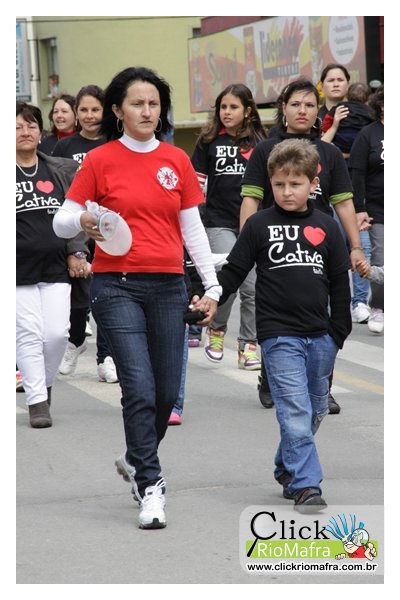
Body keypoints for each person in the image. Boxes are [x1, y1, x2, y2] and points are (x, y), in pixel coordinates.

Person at [53, 66, 221, 529]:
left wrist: (211, 286)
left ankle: (134, 457)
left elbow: (192, 229)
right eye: (137, 104)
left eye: (154, 104)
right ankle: (151, 485)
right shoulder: (99, 160)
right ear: (118, 110)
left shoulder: (176, 160)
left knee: (166, 394)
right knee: (140, 389)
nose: (147, 111)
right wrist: (84, 222)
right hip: (116, 286)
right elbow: (62, 221)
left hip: (168, 286)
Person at [218, 138, 352, 511]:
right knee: (294, 409)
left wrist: (338, 332)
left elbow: (339, 282)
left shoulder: (326, 227)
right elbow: (234, 270)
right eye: (279, 184)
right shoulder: (259, 225)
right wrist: (210, 296)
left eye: (295, 184)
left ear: (313, 184)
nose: (287, 191)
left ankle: (287, 466)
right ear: (270, 183)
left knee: (316, 409)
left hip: (321, 335)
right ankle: (307, 485)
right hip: (278, 335)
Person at [240, 78, 365, 415]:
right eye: (296, 104)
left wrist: (355, 247)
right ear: (284, 108)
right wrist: (246, 246)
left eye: (310, 105)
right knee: (276, 312)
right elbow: (251, 199)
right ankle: (271, 378)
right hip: (275, 246)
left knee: (322, 318)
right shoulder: (265, 150)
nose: (302, 110)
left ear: (317, 111)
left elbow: (344, 203)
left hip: (319, 248)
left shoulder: (329, 153)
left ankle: (322, 386)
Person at [16, 101, 89, 428]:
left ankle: (42, 386)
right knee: (29, 334)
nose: (25, 132)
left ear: (40, 132)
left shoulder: (60, 170)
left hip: (56, 266)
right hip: (17, 271)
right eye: (17, 127)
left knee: (57, 334)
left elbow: (75, 214)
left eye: (31, 126)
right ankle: (37, 402)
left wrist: (77, 251)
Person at [191, 83, 267, 370]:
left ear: (247, 111)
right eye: (223, 107)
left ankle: (249, 344)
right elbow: (196, 184)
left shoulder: (261, 142)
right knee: (228, 283)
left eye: (233, 107)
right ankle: (217, 328)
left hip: (253, 224)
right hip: (219, 223)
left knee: (253, 287)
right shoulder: (208, 141)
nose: (227, 112)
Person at [53, 85, 117, 383]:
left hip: (109, 228)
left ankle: (106, 357)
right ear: (76, 113)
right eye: (84, 110)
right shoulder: (64, 147)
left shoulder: (114, 142)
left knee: (106, 295)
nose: (90, 116)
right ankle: (76, 339)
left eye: (95, 109)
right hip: (75, 229)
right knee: (79, 294)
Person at [349, 86, 384, 334]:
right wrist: (359, 207)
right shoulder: (368, 134)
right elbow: (358, 173)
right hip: (379, 208)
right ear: (381, 106)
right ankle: (379, 306)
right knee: (382, 258)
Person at [321, 82, 374, 156]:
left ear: (347, 95)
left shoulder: (340, 107)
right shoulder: (369, 111)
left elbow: (328, 119)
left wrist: (325, 129)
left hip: (340, 144)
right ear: (368, 99)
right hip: (359, 144)